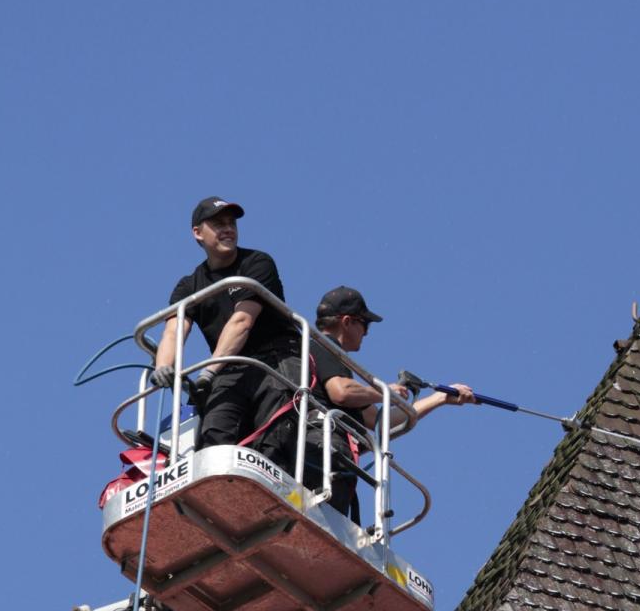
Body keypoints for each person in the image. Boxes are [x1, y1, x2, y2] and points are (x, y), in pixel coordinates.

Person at [304, 286, 475, 522]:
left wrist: (440, 399)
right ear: (347, 321)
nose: (366, 333)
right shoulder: (323, 346)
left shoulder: (331, 359)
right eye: (365, 324)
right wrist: (384, 391)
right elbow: (341, 392)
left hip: (328, 463)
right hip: (317, 455)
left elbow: (379, 423)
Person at [151, 197, 298, 456]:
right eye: (219, 224)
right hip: (229, 366)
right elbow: (173, 331)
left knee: (273, 437)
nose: (228, 228)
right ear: (197, 233)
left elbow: (242, 321)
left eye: (231, 223)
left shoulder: (256, 263)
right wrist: (163, 366)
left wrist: (208, 373)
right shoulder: (190, 285)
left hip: (275, 361)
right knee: (214, 435)